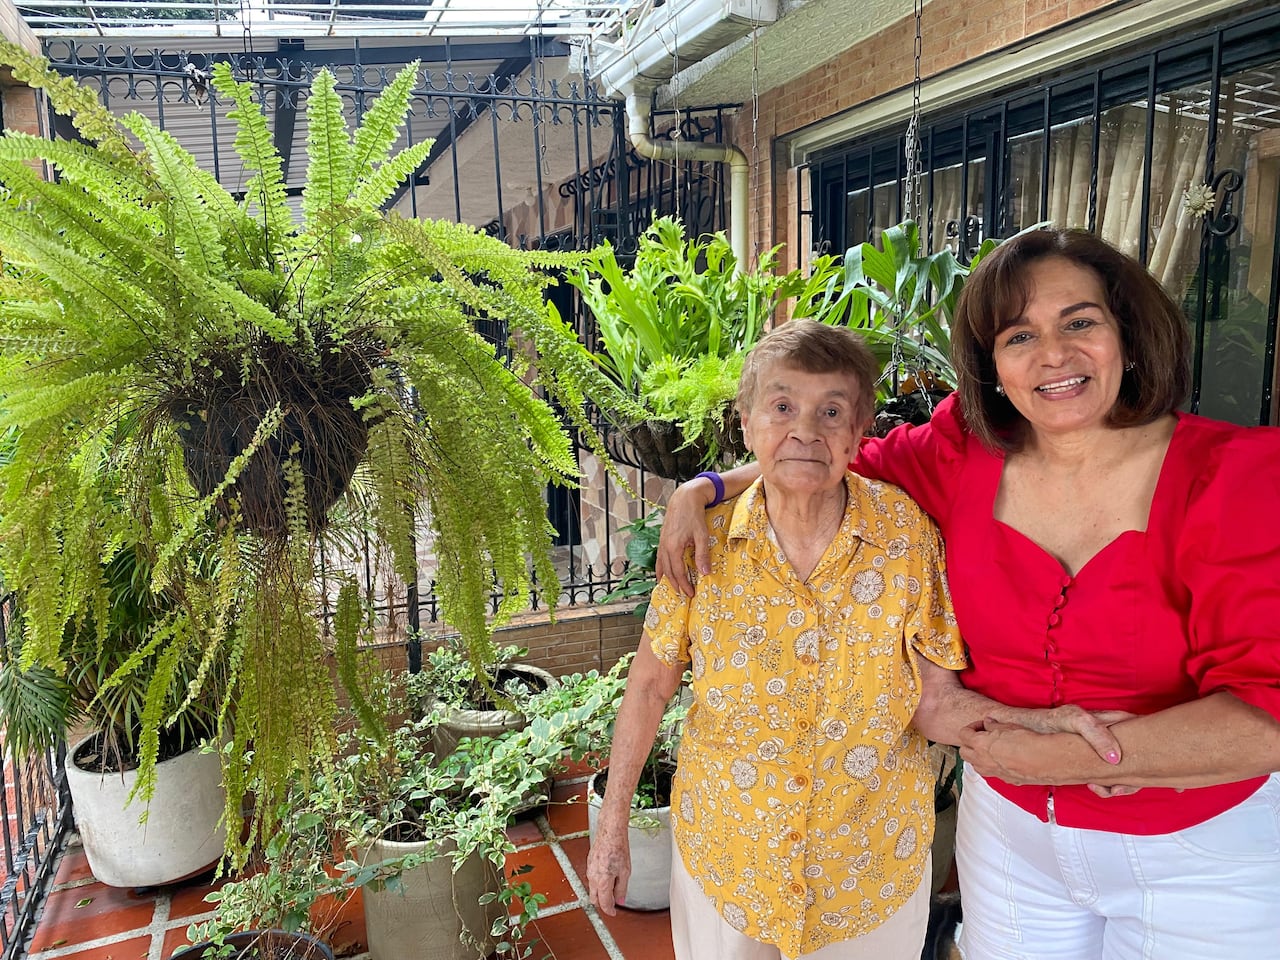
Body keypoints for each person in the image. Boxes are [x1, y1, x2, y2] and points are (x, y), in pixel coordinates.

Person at [656, 229, 1280, 959]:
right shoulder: (962, 451)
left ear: (1130, 337)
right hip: (1014, 843)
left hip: (1196, 857)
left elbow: (1266, 718)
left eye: (1080, 322)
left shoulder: (1236, 478)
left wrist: (1078, 760)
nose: (1053, 355)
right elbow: (827, 460)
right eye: (1020, 336)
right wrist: (702, 489)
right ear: (993, 367)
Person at [586, 320, 1126, 960]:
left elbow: (934, 701)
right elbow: (649, 685)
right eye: (782, 407)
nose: (805, 430)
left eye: (831, 411)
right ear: (746, 420)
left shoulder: (905, 534)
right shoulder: (704, 539)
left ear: (860, 427)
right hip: (729, 856)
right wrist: (611, 829)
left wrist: (1045, 723)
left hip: (868, 870)